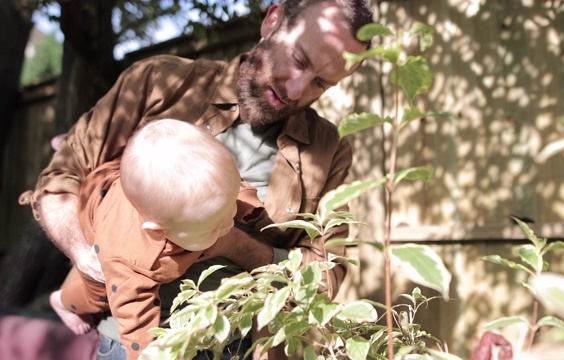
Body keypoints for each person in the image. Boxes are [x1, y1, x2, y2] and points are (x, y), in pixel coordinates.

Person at [20, 1, 374, 359]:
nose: (296, 91)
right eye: (299, 60)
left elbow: (324, 278)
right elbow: (60, 180)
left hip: (243, 348)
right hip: (130, 341)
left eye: (320, 83)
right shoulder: (159, 82)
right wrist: (92, 258)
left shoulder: (329, 151)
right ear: (272, 20)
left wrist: (230, 244)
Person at [47, 119, 264, 359]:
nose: (229, 224)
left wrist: (246, 204)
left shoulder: (205, 197)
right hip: (100, 210)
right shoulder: (134, 261)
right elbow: (135, 321)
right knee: (100, 291)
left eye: (230, 209)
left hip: (128, 182)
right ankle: (63, 301)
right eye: (214, 226)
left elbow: (228, 185)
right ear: (158, 231)